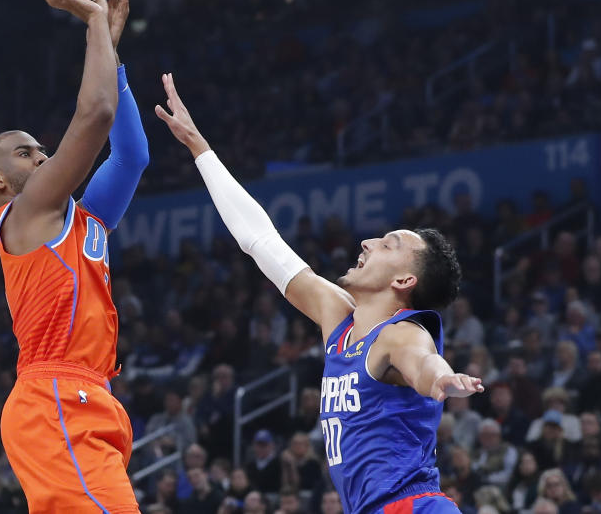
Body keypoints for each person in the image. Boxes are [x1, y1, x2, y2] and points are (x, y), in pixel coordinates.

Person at [156, 73, 482, 513]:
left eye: (389, 245)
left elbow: (423, 362)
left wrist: (443, 379)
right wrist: (201, 150)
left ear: (404, 282)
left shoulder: (401, 333)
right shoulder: (338, 318)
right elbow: (260, 241)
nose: (367, 243)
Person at [0, 0, 149, 513]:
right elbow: (93, 118)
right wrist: (95, 22)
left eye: (43, 148)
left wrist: (112, 58)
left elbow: (130, 156)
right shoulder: (25, 212)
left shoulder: (81, 219)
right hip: (54, 396)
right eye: (27, 154)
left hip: (87, 395)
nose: (44, 156)